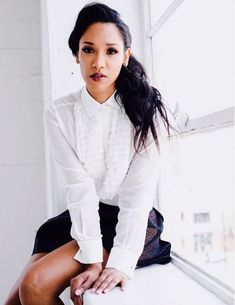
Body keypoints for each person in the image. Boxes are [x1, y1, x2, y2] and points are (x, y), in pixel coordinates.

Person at [4, 2, 178, 305]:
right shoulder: (59, 113)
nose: (99, 62)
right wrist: (91, 256)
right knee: (12, 301)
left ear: (126, 56)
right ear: (76, 55)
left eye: (111, 51)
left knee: (33, 286)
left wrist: (116, 262)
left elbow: (137, 197)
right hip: (81, 216)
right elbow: (79, 187)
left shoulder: (148, 113)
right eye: (88, 50)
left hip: (129, 222)